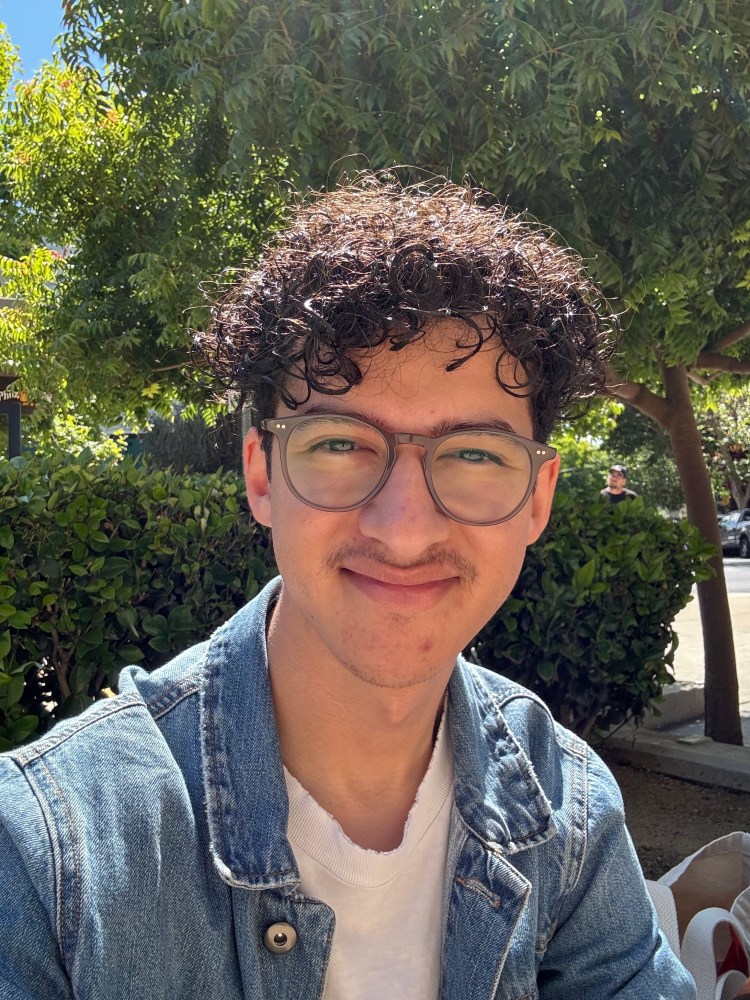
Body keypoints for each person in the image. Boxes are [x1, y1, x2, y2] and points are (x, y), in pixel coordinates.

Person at [0, 176, 694, 999]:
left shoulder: (568, 808)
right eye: (339, 445)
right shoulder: (48, 854)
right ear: (262, 474)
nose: (403, 529)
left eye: (474, 454)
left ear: (536, 500)